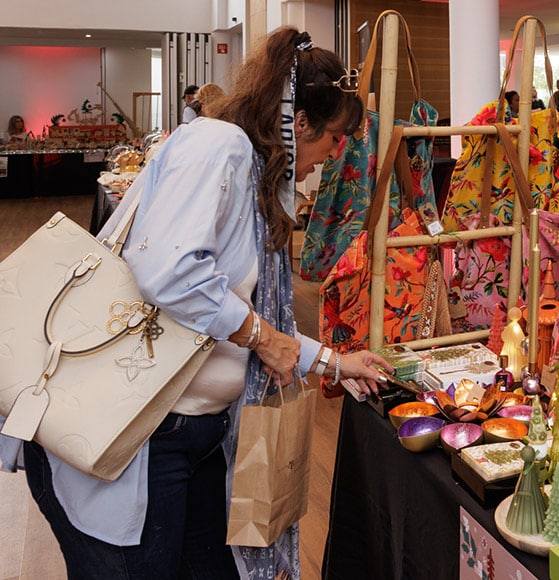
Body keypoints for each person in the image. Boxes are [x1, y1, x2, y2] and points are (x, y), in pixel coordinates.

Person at [11, 28, 392, 579]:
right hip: (138, 439)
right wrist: (265, 338)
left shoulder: (245, 172)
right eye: (334, 138)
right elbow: (170, 272)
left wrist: (334, 362)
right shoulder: (221, 145)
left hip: (189, 437)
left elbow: (252, 314)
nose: (332, 158)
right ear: (300, 122)